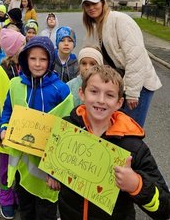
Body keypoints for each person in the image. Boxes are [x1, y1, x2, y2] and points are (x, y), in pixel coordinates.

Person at [50, 65, 170, 219]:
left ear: (119, 103)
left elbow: (164, 208)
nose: (101, 100)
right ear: (82, 93)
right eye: (94, 91)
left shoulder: (133, 147)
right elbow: (54, 158)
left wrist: (137, 185)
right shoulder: (67, 127)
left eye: (109, 95)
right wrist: (52, 172)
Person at [0, 36, 74, 220]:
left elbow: (67, 131)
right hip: (22, 166)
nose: (38, 64)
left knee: (45, 212)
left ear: (50, 60)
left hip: (47, 171)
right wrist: (4, 126)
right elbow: (8, 108)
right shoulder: (15, 84)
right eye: (33, 58)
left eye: (43, 59)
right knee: (25, 209)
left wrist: (56, 171)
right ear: (25, 59)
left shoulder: (61, 90)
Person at [81, 0, 162, 127]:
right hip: (122, 83)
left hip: (139, 84)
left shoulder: (119, 20)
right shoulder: (96, 27)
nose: (91, 8)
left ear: (103, 3)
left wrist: (132, 92)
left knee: (130, 130)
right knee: (117, 127)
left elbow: (136, 56)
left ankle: (136, 150)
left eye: (94, 3)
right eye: (87, 5)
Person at [0, 28, 26, 219]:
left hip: (23, 129)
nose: (27, 48)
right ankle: (6, 197)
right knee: (6, 168)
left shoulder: (27, 68)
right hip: (4, 130)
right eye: (23, 44)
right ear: (14, 49)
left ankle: (18, 193)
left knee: (20, 165)